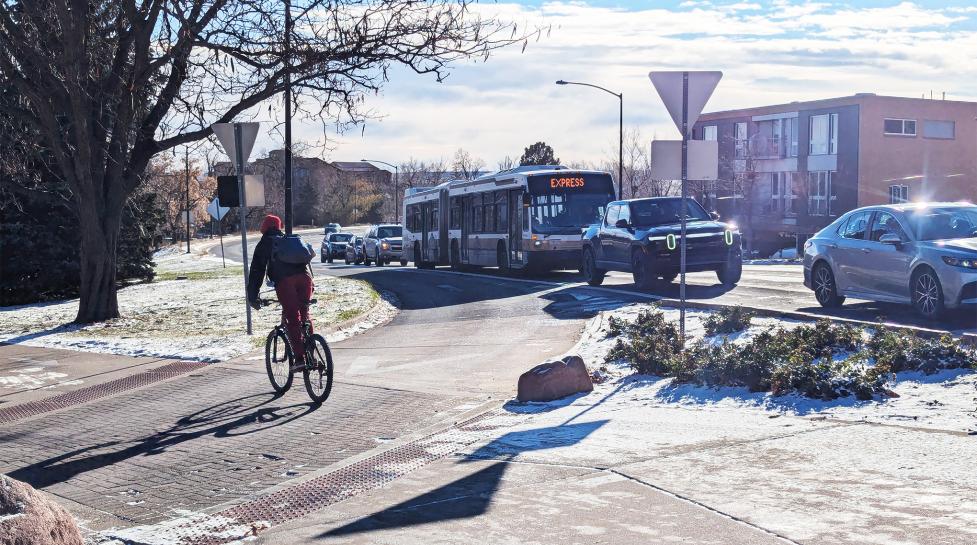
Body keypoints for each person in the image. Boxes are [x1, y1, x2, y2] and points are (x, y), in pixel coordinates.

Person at [247, 214, 315, 372]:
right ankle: (311, 350)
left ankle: (299, 360)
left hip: (286, 282)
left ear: (264, 227)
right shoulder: (289, 240)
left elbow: (257, 271)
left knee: (292, 318)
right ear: (278, 226)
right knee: (304, 315)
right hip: (306, 280)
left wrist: (253, 296)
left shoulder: (265, 243)